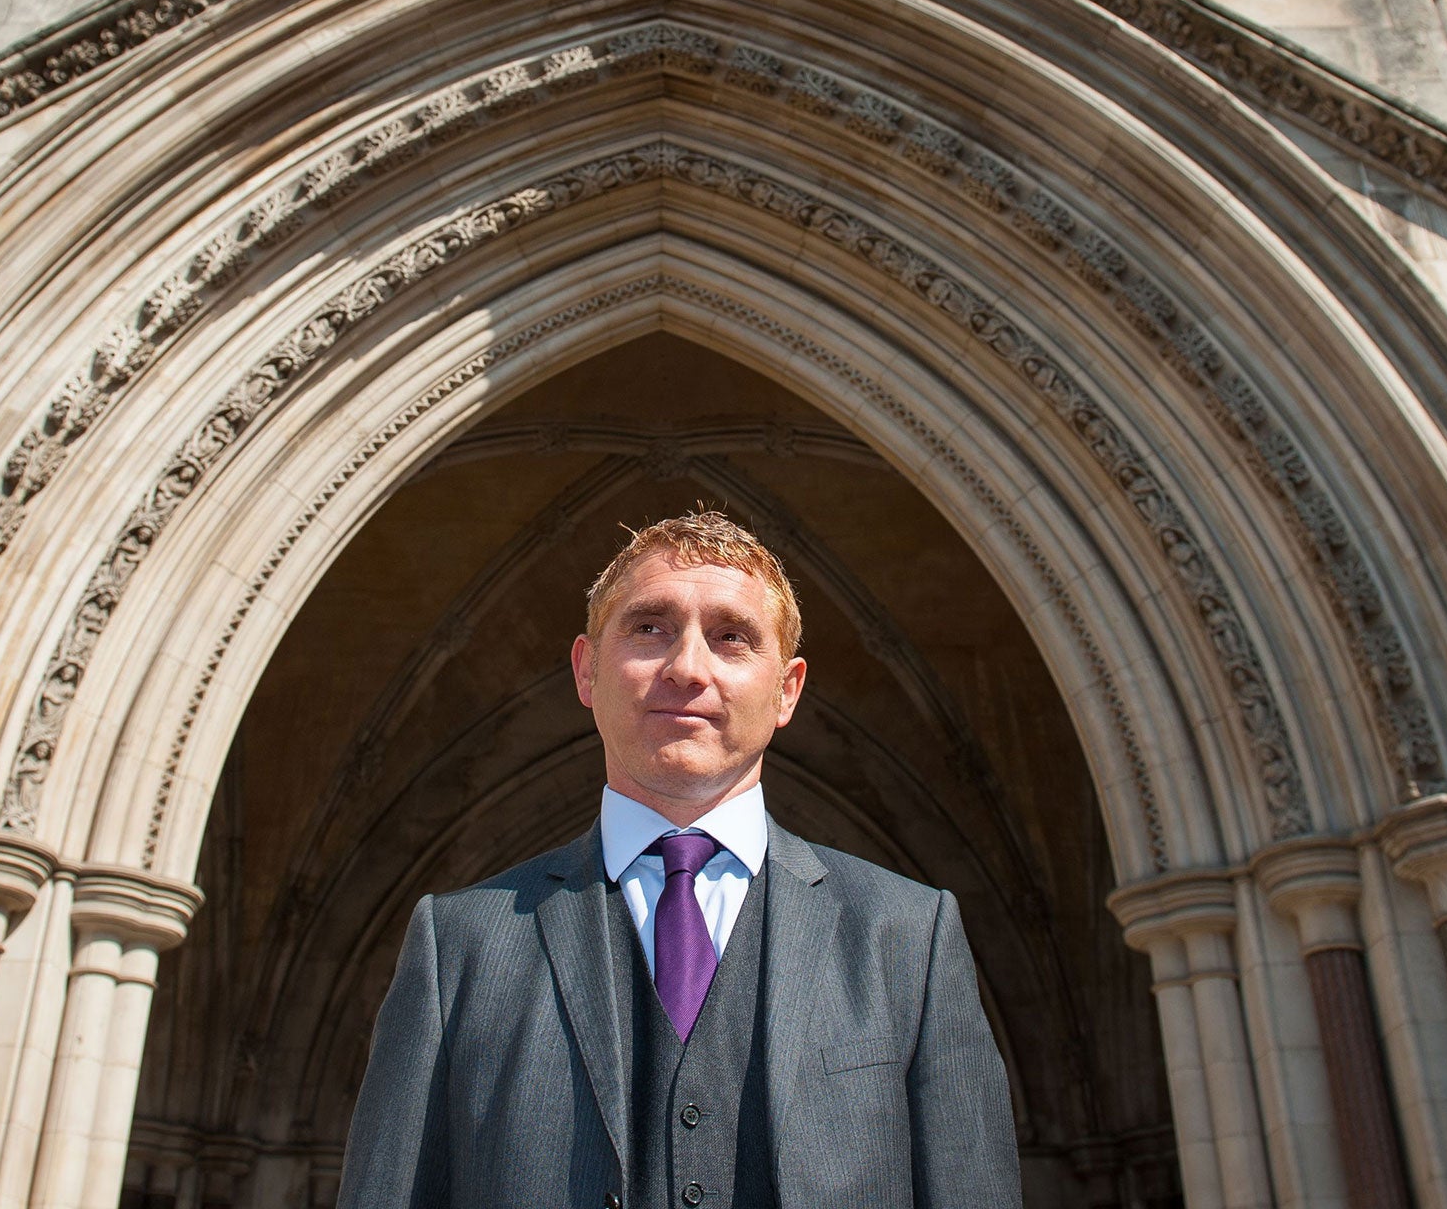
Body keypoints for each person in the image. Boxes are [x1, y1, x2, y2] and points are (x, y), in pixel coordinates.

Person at [336, 510, 1021, 1208]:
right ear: (586, 670)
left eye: (732, 637)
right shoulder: (459, 948)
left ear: (786, 690)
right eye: (649, 628)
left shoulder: (907, 936)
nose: (688, 667)